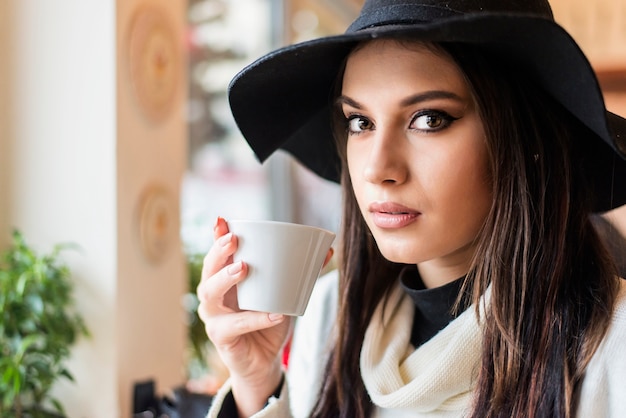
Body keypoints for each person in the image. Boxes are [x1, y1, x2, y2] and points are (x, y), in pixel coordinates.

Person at [196, 0, 626, 416]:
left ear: (522, 138)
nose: (378, 169)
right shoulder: (331, 316)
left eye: (429, 119)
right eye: (359, 122)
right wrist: (256, 382)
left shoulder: (614, 345)